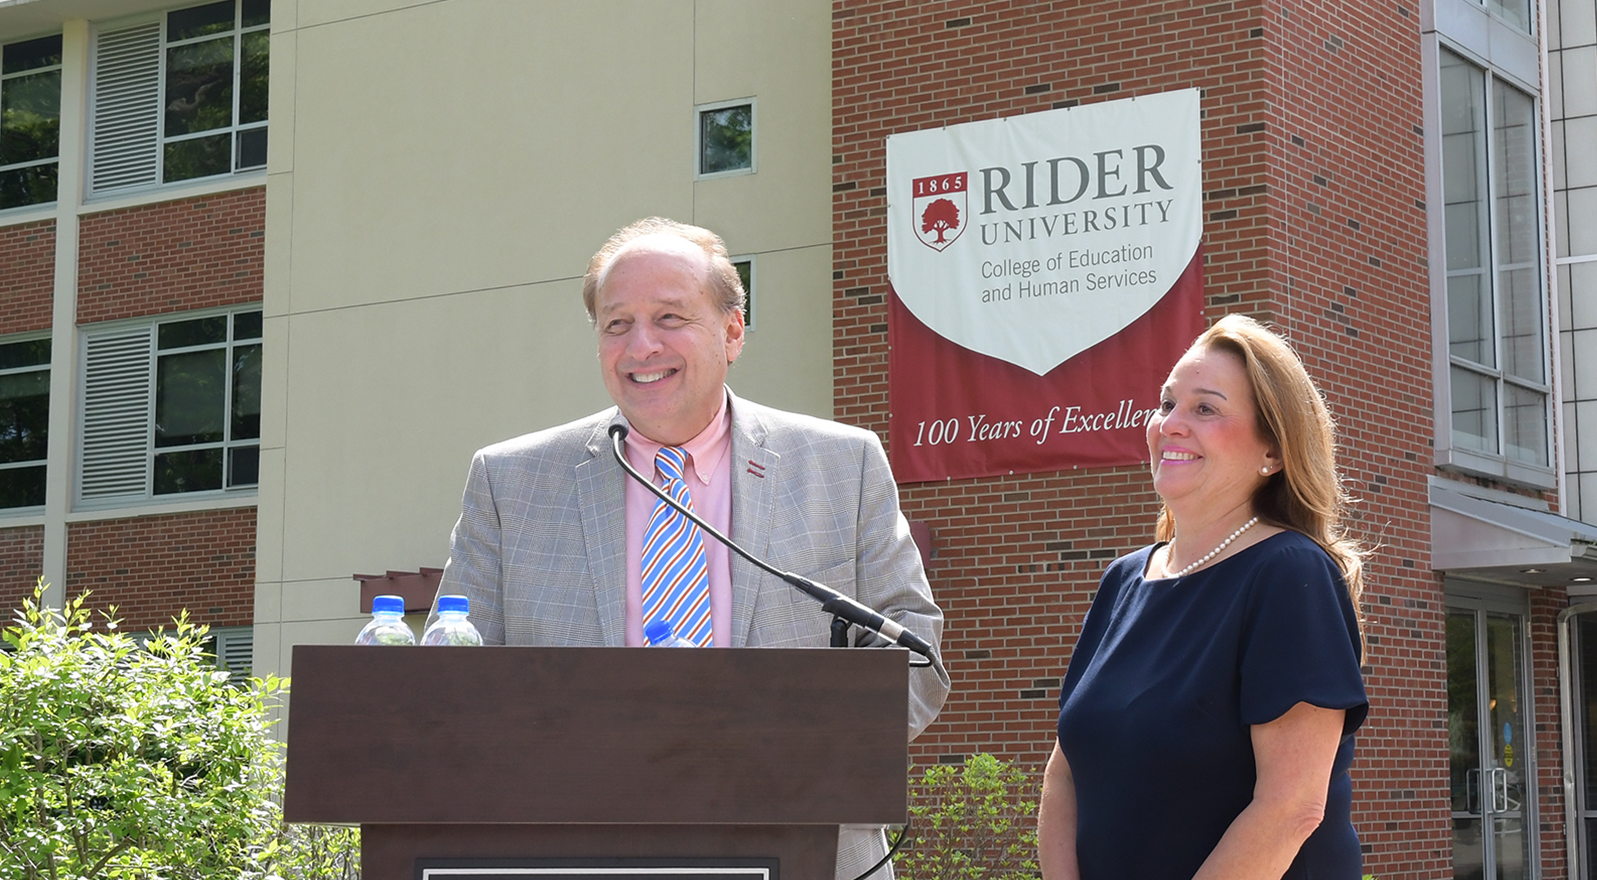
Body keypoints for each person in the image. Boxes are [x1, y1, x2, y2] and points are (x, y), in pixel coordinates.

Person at [438, 217, 949, 877]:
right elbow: (449, 684)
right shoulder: (509, 481)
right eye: (616, 323)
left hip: (806, 846)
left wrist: (778, 751)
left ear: (732, 331)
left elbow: (915, 654)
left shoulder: (841, 464)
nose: (641, 344)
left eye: (670, 316)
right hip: (576, 854)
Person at [1038, 315, 1368, 880]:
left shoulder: (1289, 574)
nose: (1171, 424)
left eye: (1205, 408)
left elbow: (1292, 808)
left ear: (1273, 451)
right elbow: (1065, 774)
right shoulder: (1124, 581)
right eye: (1167, 403)